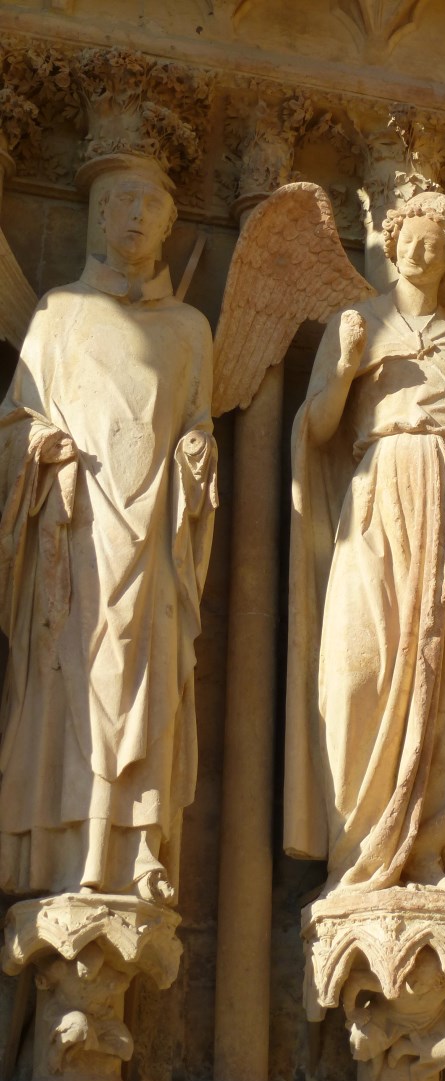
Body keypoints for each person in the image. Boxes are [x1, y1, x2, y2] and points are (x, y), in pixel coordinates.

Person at [285, 192, 445, 898]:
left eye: (438, 243)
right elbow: (318, 430)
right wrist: (344, 369)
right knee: (359, 672)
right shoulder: (354, 323)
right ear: (391, 242)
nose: (422, 250)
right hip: (379, 491)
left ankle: (430, 849)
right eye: (411, 237)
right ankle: (358, 851)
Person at [0, 167, 217, 901]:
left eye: (152, 205)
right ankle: (65, 849)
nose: (136, 216)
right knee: (69, 673)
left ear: (168, 226)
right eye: (122, 203)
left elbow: (197, 423)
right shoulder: (59, 315)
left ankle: (135, 844)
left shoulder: (190, 328)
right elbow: (16, 419)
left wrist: (197, 456)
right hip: (76, 522)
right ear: (96, 217)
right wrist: (38, 447)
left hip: (152, 531)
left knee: (148, 675)